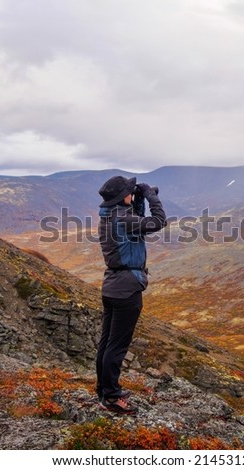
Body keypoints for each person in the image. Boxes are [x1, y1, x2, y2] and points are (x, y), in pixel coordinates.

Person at [95, 175, 166, 414]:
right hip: (127, 289)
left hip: (112, 287)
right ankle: (113, 398)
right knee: (116, 347)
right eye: (128, 190)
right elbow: (158, 221)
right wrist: (150, 195)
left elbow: (136, 222)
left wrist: (136, 200)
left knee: (106, 344)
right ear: (121, 196)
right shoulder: (123, 219)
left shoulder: (110, 216)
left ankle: (104, 391)